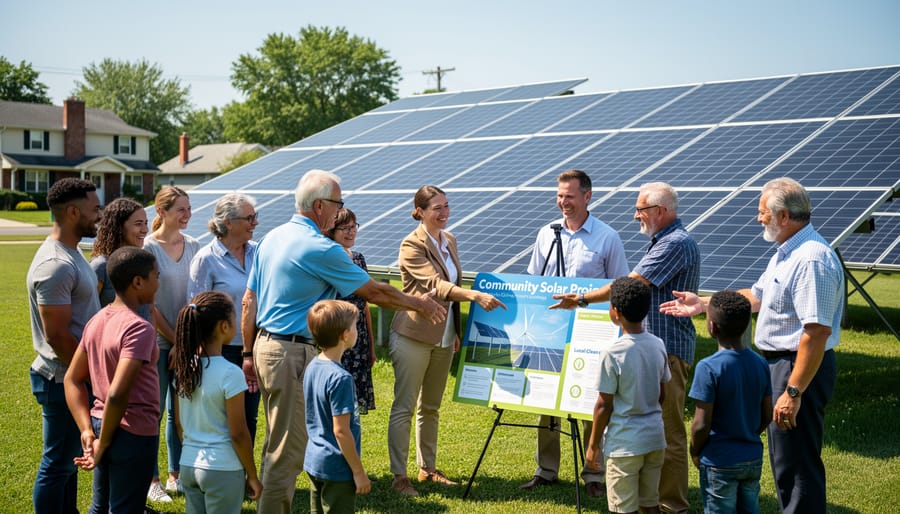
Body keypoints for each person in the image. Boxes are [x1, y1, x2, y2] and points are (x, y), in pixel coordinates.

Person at [241, 169, 447, 514]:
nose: (341, 211)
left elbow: (250, 299)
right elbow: (374, 291)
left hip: (270, 347)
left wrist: (248, 351)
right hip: (291, 352)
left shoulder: (273, 237)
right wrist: (419, 304)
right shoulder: (321, 248)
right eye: (339, 204)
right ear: (319, 205)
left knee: (288, 441)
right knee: (287, 451)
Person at [661, 177, 843, 513]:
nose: (758, 219)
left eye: (763, 213)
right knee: (785, 460)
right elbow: (755, 297)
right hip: (780, 365)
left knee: (797, 463)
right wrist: (702, 304)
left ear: (784, 216)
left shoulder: (811, 259)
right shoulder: (786, 253)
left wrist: (792, 393)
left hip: (796, 367)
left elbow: (815, 332)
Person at [551, 182, 700, 513]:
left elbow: (631, 284)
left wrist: (582, 299)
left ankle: (672, 505)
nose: (635, 216)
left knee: (670, 431)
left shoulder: (675, 243)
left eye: (641, 209)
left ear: (660, 211)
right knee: (656, 424)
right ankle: (653, 498)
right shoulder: (664, 241)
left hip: (667, 349)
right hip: (654, 349)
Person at [388, 185, 507, 497]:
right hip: (414, 334)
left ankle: (427, 469)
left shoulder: (449, 240)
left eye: (446, 206)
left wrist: (452, 332)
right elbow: (436, 285)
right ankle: (399, 477)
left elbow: (449, 285)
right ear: (420, 212)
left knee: (431, 406)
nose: (444, 213)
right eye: (436, 208)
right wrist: (474, 295)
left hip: (444, 334)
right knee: (404, 406)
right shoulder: (410, 244)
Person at [520, 169, 629, 499]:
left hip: (591, 334)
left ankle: (593, 471)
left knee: (590, 400)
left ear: (587, 196)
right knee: (547, 400)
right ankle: (546, 470)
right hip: (550, 330)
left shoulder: (607, 237)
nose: (562, 202)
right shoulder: (546, 234)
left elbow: (620, 285)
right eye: (559, 195)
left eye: (569, 196)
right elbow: (533, 281)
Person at [64, 247, 161, 513]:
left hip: (99, 424)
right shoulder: (139, 328)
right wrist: (103, 443)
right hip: (132, 431)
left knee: (100, 506)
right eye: (156, 275)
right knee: (126, 507)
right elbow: (118, 394)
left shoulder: (96, 321)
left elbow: (71, 379)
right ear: (138, 282)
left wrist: (88, 431)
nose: (159, 282)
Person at [27, 177, 101, 514]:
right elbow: (57, 336)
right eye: (94, 209)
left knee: (68, 463)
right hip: (61, 378)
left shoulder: (72, 253)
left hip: (72, 375)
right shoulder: (56, 265)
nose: (99, 215)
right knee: (57, 465)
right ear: (73, 212)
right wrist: (89, 375)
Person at [585, 277, 670, 514]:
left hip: (624, 445)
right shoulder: (658, 344)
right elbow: (662, 394)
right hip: (654, 438)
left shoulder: (612, 353)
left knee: (624, 508)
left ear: (615, 312)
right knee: (650, 503)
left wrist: (593, 446)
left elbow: (604, 405)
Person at [172, 291, 263, 513]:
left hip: (188, 465)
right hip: (222, 468)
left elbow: (178, 424)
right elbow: (239, 433)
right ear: (224, 326)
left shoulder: (184, 369)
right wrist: (252, 475)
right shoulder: (231, 373)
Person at [688, 290, 772, 514]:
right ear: (746, 326)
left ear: (712, 327)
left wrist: (695, 451)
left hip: (719, 459)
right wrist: (748, 433)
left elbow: (701, 424)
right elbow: (767, 415)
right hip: (752, 457)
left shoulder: (707, 368)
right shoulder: (761, 364)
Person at [189, 193, 262, 443]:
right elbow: (196, 310)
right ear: (228, 222)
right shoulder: (206, 259)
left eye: (255, 217)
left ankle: (244, 477)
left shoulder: (258, 253)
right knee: (223, 418)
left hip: (255, 349)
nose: (255, 223)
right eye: (249, 218)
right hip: (222, 352)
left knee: (248, 416)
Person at [144, 185, 200, 500]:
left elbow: (197, 295)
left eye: (189, 208)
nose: (187, 215)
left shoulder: (193, 246)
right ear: (161, 212)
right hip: (157, 343)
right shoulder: (148, 249)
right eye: (181, 209)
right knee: (155, 411)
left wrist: (186, 341)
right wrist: (174, 340)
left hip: (187, 342)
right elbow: (148, 307)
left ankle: (175, 473)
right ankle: (152, 480)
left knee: (181, 409)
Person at [304, 300, 371, 513]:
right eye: (354, 326)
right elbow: (341, 431)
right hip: (337, 468)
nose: (357, 330)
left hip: (315, 460)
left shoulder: (314, 365)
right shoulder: (340, 378)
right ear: (344, 335)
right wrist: (358, 472)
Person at [324, 209, 376, 414]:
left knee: (353, 403)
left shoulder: (358, 259)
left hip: (358, 338)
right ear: (332, 231)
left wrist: (370, 344)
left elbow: (365, 305)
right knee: (336, 402)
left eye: (354, 227)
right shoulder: (327, 259)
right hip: (336, 338)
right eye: (345, 228)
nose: (351, 232)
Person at [90, 197, 149, 308]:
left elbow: (150, 310)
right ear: (119, 227)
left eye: (146, 223)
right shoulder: (101, 266)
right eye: (138, 223)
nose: (145, 229)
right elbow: (89, 312)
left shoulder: (144, 264)